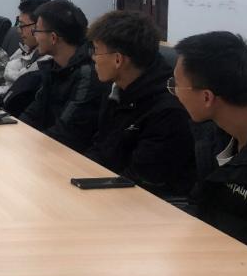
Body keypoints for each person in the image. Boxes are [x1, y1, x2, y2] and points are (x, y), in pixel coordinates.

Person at [173, 32, 247, 263]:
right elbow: (200, 205)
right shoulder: (215, 132)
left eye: (177, 86)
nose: (173, 93)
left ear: (207, 97)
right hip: (215, 255)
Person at [84, 11, 195, 196]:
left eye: (96, 50)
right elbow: (100, 148)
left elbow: (140, 180)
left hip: (141, 202)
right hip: (107, 186)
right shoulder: (116, 89)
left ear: (118, 59)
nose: (93, 58)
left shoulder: (167, 110)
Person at [19, 0, 103, 152]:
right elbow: (33, 113)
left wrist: (29, 146)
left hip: (69, 156)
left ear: (53, 38)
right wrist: (16, 135)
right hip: (47, 148)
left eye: (37, 31)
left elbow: (66, 132)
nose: (35, 36)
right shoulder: (54, 67)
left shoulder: (88, 74)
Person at [0, 0, 51, 114]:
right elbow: (7, 86)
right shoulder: (25, 49)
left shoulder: (47, 61)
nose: (19, 30)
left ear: (39, 25)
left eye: (22, 25)